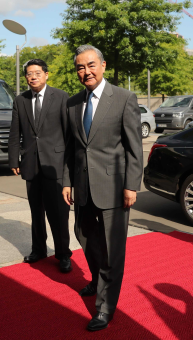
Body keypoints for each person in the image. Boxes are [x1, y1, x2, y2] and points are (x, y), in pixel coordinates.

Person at [62, 45, 143, 331]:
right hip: (83, 187)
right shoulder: (72, 103)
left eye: (91, 65)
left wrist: (131, 185)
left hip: (114, 187)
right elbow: (71, 148)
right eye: (80, 68)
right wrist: (67, 181)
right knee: (83, 235)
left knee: (112, 250)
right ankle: (98, 280)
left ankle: (105, 308)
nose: (86, 72)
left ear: (103, 65)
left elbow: (134, 147)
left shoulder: (123, 98)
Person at [8, 58, 72, 273]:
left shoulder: (61, 97)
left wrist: (69, 164)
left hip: (55, 164)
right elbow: (15, 132)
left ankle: (63, 253)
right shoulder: (20, 100)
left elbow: (68, 133)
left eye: (37, 73)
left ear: (46, 74)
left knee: (59, 213)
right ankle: (39, 250)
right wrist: (14, 158)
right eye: (29, 74)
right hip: (31, 164)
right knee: (36, 212)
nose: (33, 77)